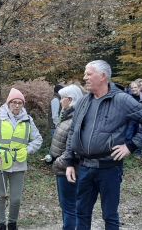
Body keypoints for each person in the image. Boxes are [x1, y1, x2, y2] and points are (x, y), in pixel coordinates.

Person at [65, 60, 142, 230]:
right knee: (81, 212)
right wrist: (70, 161)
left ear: (103, 76)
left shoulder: (121, 100)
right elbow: (73, 131)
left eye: (88, 73)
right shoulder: (83, 102)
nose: (84, 77)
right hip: (84, 167)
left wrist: (131, 146)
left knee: (109, 216)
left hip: (109, 168)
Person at [0, 88, 43, 230]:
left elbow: (38, 139)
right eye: (14, 102)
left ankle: (12, 223)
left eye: (20, 103)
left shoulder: (28, 120)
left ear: (23, 104)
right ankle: (1, 224)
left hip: (19, 163)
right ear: (8, 103)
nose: (17, 105)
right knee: (0, 196)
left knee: (16, 198)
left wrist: (27, 150)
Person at [49, 85, 83, 230]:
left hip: (69, 170)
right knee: (67, 206)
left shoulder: (75, 120)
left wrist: (58, 162)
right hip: (63, 169)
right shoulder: (67, 116)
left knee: (70, 207)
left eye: (62, 98)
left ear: (69, 100)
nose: (60, 101)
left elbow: (74, 149)